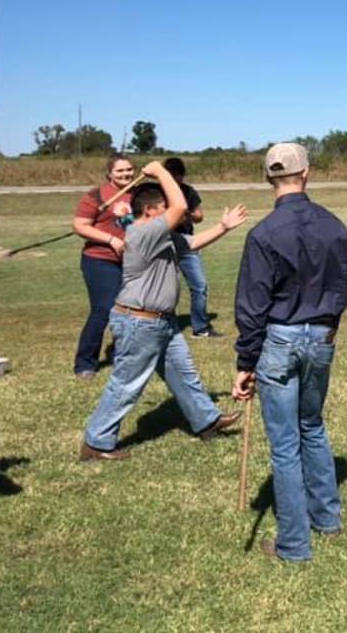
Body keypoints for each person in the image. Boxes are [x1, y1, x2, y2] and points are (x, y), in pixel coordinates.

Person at [81, 161, 248, 460]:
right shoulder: (142, 233)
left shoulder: (162, 236)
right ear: (149, 211)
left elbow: (193, 241)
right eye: (163, 208)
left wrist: (223, 227)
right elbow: (180, 206)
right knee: (127, 384)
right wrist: (160, 172)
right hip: (139, 322)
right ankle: (96, 442)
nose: (172, 212)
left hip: (162, 323)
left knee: (184, 373)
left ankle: (206, 421)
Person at [232, 142, 347, 562]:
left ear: (269, 178)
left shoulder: (263, 233)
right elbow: (340, 289)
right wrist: (329, 330)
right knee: (312, 426)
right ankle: (327, 519)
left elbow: (252, 305)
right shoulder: (334, 226)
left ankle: (295, 545)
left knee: (286, 443)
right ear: (306, 173)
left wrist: (245, 362)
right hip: (321, 335)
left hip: (280, 340)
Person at [71, 154, 136, 379]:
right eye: (120, 171)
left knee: (130, 309)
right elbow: (80, 225)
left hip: (131, 261)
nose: (126, 174)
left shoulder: (139, 193)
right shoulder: (96, 195)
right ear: (109, 173)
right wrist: (111, 240)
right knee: (104, 308)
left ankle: (124, 355)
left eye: (129, 169)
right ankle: (85, 363)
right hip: (99, 259)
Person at [162, 157, 219, 338]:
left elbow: (200, 215)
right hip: (164, 241)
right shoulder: (157, 192)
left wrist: (190, 216)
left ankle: (200, 327)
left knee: (200, 285)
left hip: (187, 242)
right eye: (172, 176)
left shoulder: (188, 191)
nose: (176, 180)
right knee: (167, 287)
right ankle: (164, 326)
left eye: (179, 176)